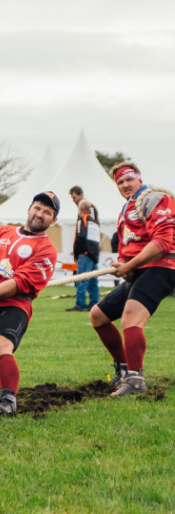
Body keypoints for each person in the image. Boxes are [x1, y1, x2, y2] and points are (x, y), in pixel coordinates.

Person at [89, 162, 175, 397]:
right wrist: (124, 266)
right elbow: (127, 246)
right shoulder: (126, 208)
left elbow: (162, 243)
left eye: (129, 179)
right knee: (97, 316)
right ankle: (124, 369)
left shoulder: (156, 198)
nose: (125, 184)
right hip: (139, 270)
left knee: (131, 319)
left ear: (139, 178)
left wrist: (129, 265)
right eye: (120, 182)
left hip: (161, 267)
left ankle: (135, 380)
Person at [0, 193, 60, 415]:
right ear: (29, 208)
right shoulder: (0, 232)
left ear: (53, 220)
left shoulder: (47, 249)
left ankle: (8, 401)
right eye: (37, 208)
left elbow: (19, 282)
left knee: (1, 343)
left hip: (15, 304)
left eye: (47, 212)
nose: (39, 214)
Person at [68, 199, 101, 311]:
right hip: (93, 255)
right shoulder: (94, 221)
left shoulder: (82, 219)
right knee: (93, 282)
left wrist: (77, 252)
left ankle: (80, 304)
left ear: (80, 209)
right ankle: (94, 303)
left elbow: (80, 236)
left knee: (82, 280)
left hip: (85, 254)